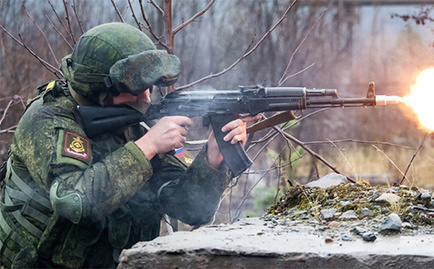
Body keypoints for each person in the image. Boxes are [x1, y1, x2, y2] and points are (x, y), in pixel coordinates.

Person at [0, 22, 259, 268]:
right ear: (101, 89)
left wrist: (213, 156)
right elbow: (74, 201)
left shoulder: (136, 124)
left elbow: (189, 208)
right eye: (135, 90)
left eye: (148, 88)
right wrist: (147, 146)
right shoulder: (49, 118)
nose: (145, 99)